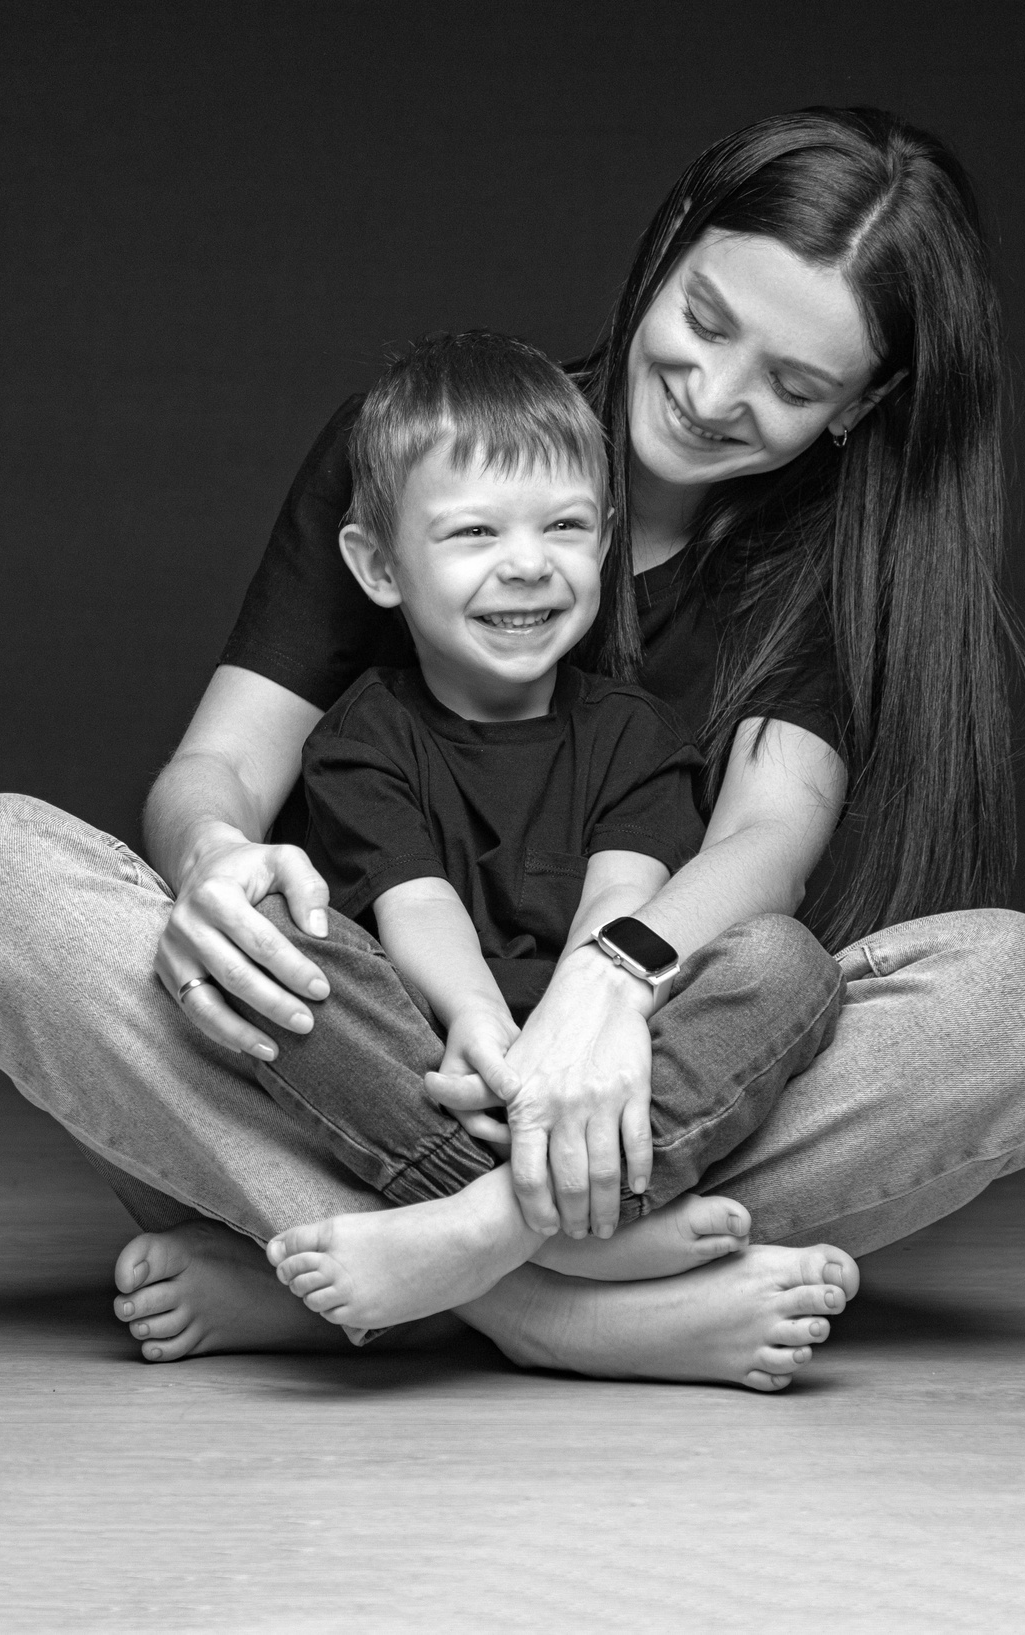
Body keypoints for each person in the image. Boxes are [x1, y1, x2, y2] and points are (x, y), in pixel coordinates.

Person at [0, 105, 1025, 1393]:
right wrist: (209, 869)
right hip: (358, 1059)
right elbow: (224, 770)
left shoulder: (830, 573)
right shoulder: (427, 437)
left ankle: (411, 1270)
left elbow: (769, 841)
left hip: (646, 1076)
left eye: (792, 385)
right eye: (703, 323)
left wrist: (611, 984)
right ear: (672, 246)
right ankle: (548, 1302)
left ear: (861, 407)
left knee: (1020, 995)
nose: (712, 395)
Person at [238, 329, 844, 1338]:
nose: (527, 566)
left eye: (562, 526)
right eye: (475, 535)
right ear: (378, 566)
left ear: (605, 540)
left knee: (784, 964)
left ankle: (492, 1228)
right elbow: (412, 899)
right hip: (437, 1056)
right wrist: (479, 1021)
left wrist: (569, 1046)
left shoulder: (633, 728)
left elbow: (623, 897)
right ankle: (581, 1246)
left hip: (610, 1053)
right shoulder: (359, 735)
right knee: (268, 943)